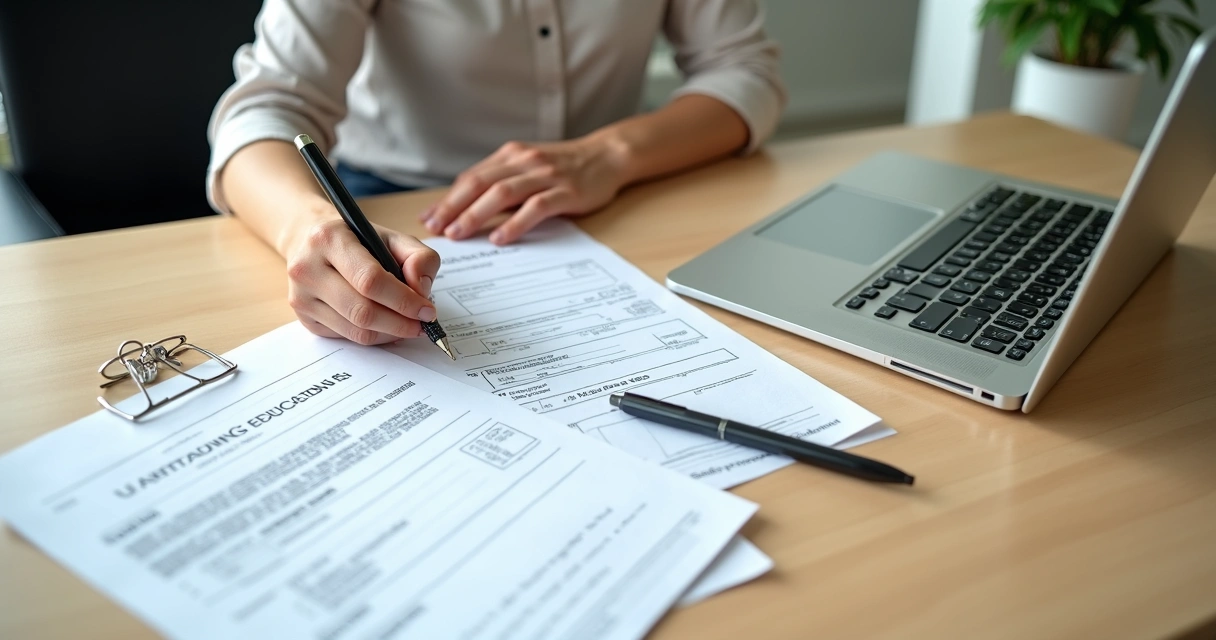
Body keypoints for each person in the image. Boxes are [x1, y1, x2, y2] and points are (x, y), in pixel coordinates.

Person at [207, 0, 786, 346]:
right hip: (389, 202)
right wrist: (306, 225)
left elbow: (744, 72)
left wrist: (609, 155)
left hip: (613, 196)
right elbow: (264, 111)